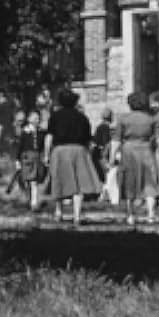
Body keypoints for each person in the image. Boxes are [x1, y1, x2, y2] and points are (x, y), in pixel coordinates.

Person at [44, 89, 101, 225]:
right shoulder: (82, 117)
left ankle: (58, 212)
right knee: (79, 184)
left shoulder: (55, 116)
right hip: (79, 150)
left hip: (60, 150)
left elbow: (49, 136)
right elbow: (89, 140)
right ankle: (77, 215)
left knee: (59, 181)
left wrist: (46, 154)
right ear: (76, 101)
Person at [113, 91, 159, 226]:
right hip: (146, 150)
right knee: (149, 181)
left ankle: (130, 214)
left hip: (129, 150)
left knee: (129, 180)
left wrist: (112, 158)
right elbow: (156, 139)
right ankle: (151, 214)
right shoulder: (151, 119)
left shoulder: (123, 119)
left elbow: (116, 140)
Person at [15, 110, 46, 212]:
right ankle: (29, 198)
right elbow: (20, 146)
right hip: (26, 157)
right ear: (29, 119)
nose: (36, 120)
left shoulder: (41, 132)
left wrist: (45, 156)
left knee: (34, 180)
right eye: (34, 118)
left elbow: (43, 146)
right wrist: (17, 160)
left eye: (38, 118)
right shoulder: (25, 132)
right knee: (27, 180)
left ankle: (34, 202)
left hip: (37, 157)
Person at [91, 107, 114, 181]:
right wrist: (105, 156)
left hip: (97, 153)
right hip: (101, 154)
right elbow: (106, 143)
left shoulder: (100, 126)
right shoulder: (105, 127)